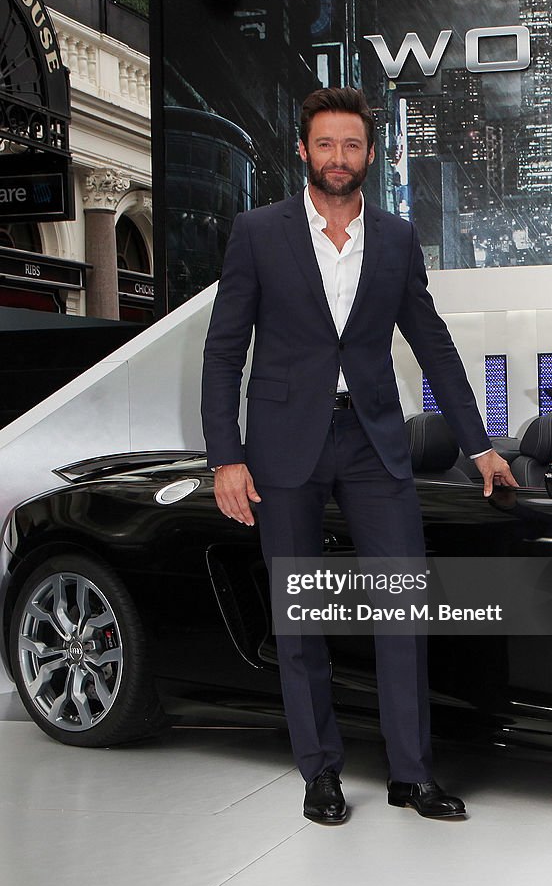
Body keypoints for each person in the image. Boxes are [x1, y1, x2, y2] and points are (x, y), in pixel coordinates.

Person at [202, 86, 517, 825]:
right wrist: (226, 456)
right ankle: (320, 772)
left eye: (352, 145)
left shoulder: (399, 239)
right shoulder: (257, 231)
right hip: (282, 446)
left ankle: (412, 775)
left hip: (374, 441)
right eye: (325, 144)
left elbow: (432, 346)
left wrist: (480, 445)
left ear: (370, 155)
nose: (338, 158)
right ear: (303, 151)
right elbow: (224, 354)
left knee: (402, 608)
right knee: (301, 613)